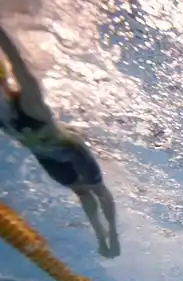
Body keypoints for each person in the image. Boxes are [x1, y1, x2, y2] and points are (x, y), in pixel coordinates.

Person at [0, 25, 120, 258]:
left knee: (98, 189)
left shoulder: (30, 102)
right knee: (82, 193)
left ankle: (113, 234)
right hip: (47, 159)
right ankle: (100, 238)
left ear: (4, 83)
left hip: (71, 150)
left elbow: (17, 61)